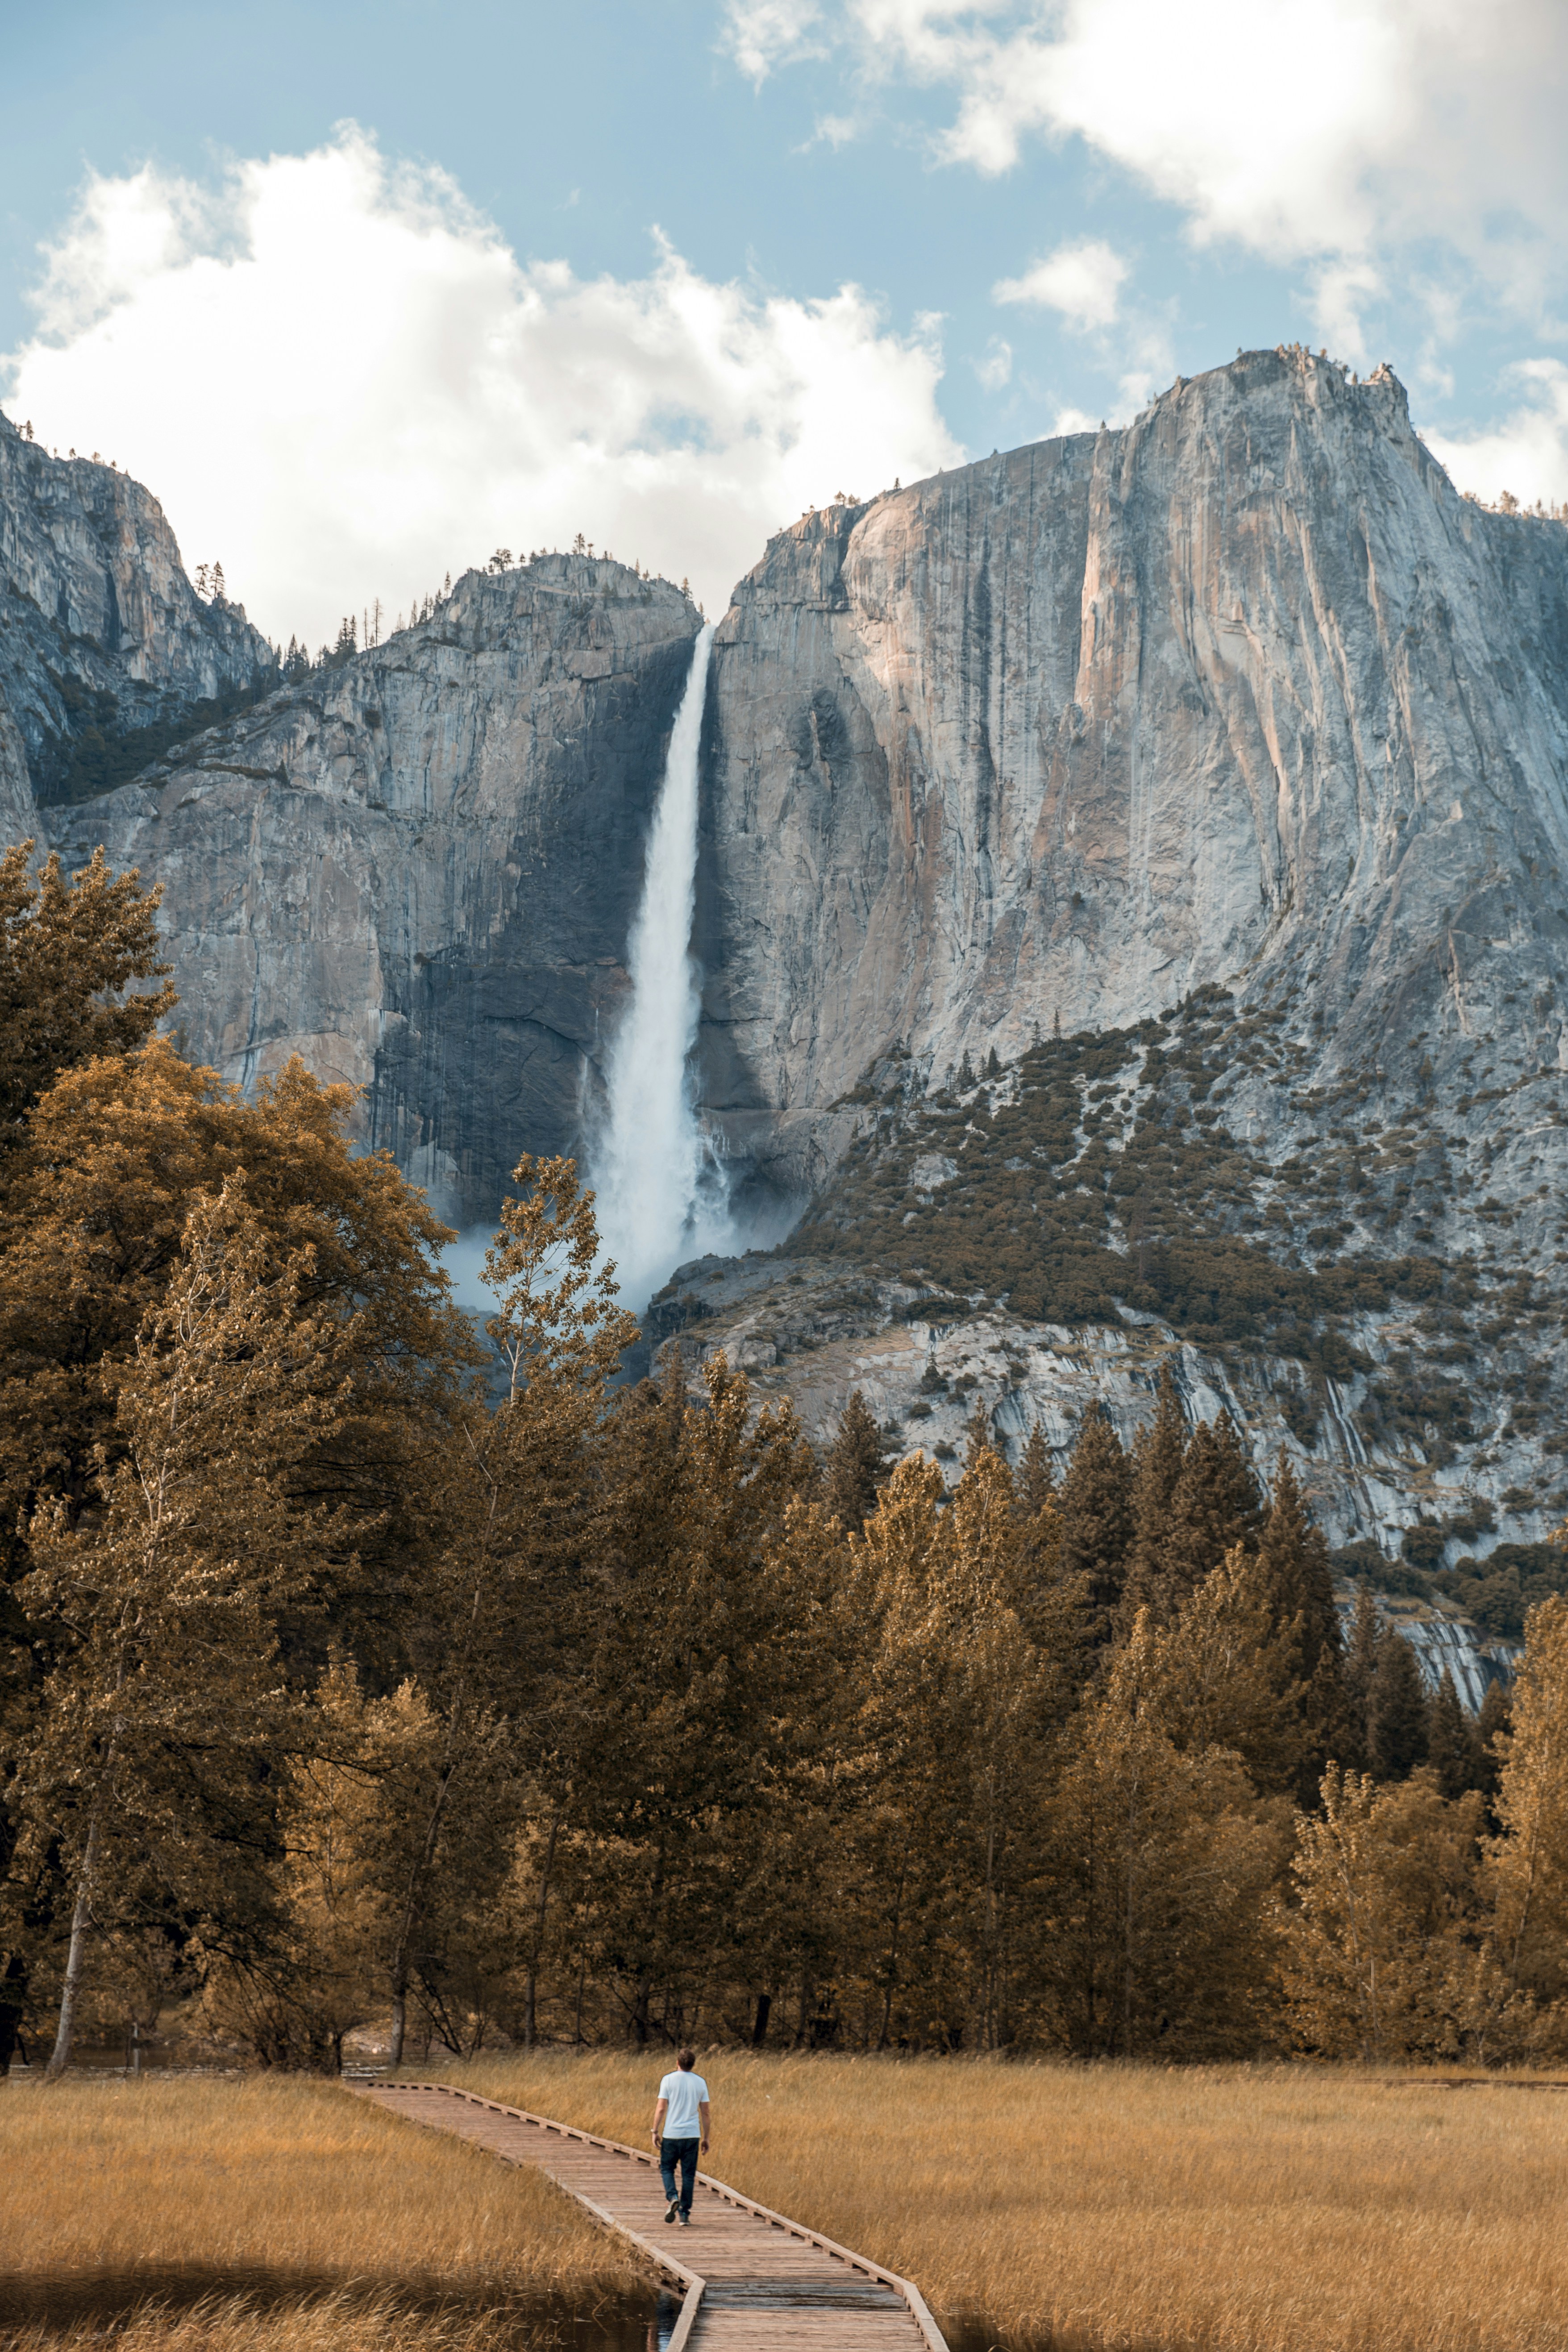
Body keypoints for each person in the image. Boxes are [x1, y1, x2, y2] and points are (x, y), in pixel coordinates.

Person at [652, 2047, 710, 2226]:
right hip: (692, 2135)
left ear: (677, 2062)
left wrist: (655, 2131)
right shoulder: (700, 2082)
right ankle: (684, 2214)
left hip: (671, 2135)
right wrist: (706, 2138)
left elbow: (661, 2108)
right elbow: (706, 2114)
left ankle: (672, 2197)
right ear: (693, 2065)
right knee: (688, 2175)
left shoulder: (668, 2080)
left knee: (667, 2169)